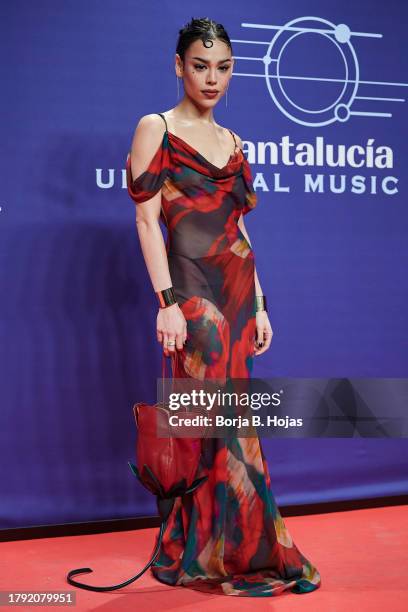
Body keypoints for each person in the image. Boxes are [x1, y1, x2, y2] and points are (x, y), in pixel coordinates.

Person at [125, 17, 321, 598]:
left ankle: (233, 548)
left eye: (224, 68)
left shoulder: (235, 143)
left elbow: (239, 231)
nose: (213, 78)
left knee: (233, 421)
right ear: (179, 66)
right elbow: (145, 218)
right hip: (191, 296)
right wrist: (165, 303)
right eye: (201, 65)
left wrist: (261, 304)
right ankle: (222, 549)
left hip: (236, 296)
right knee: (207, 423)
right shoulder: (154, 127)